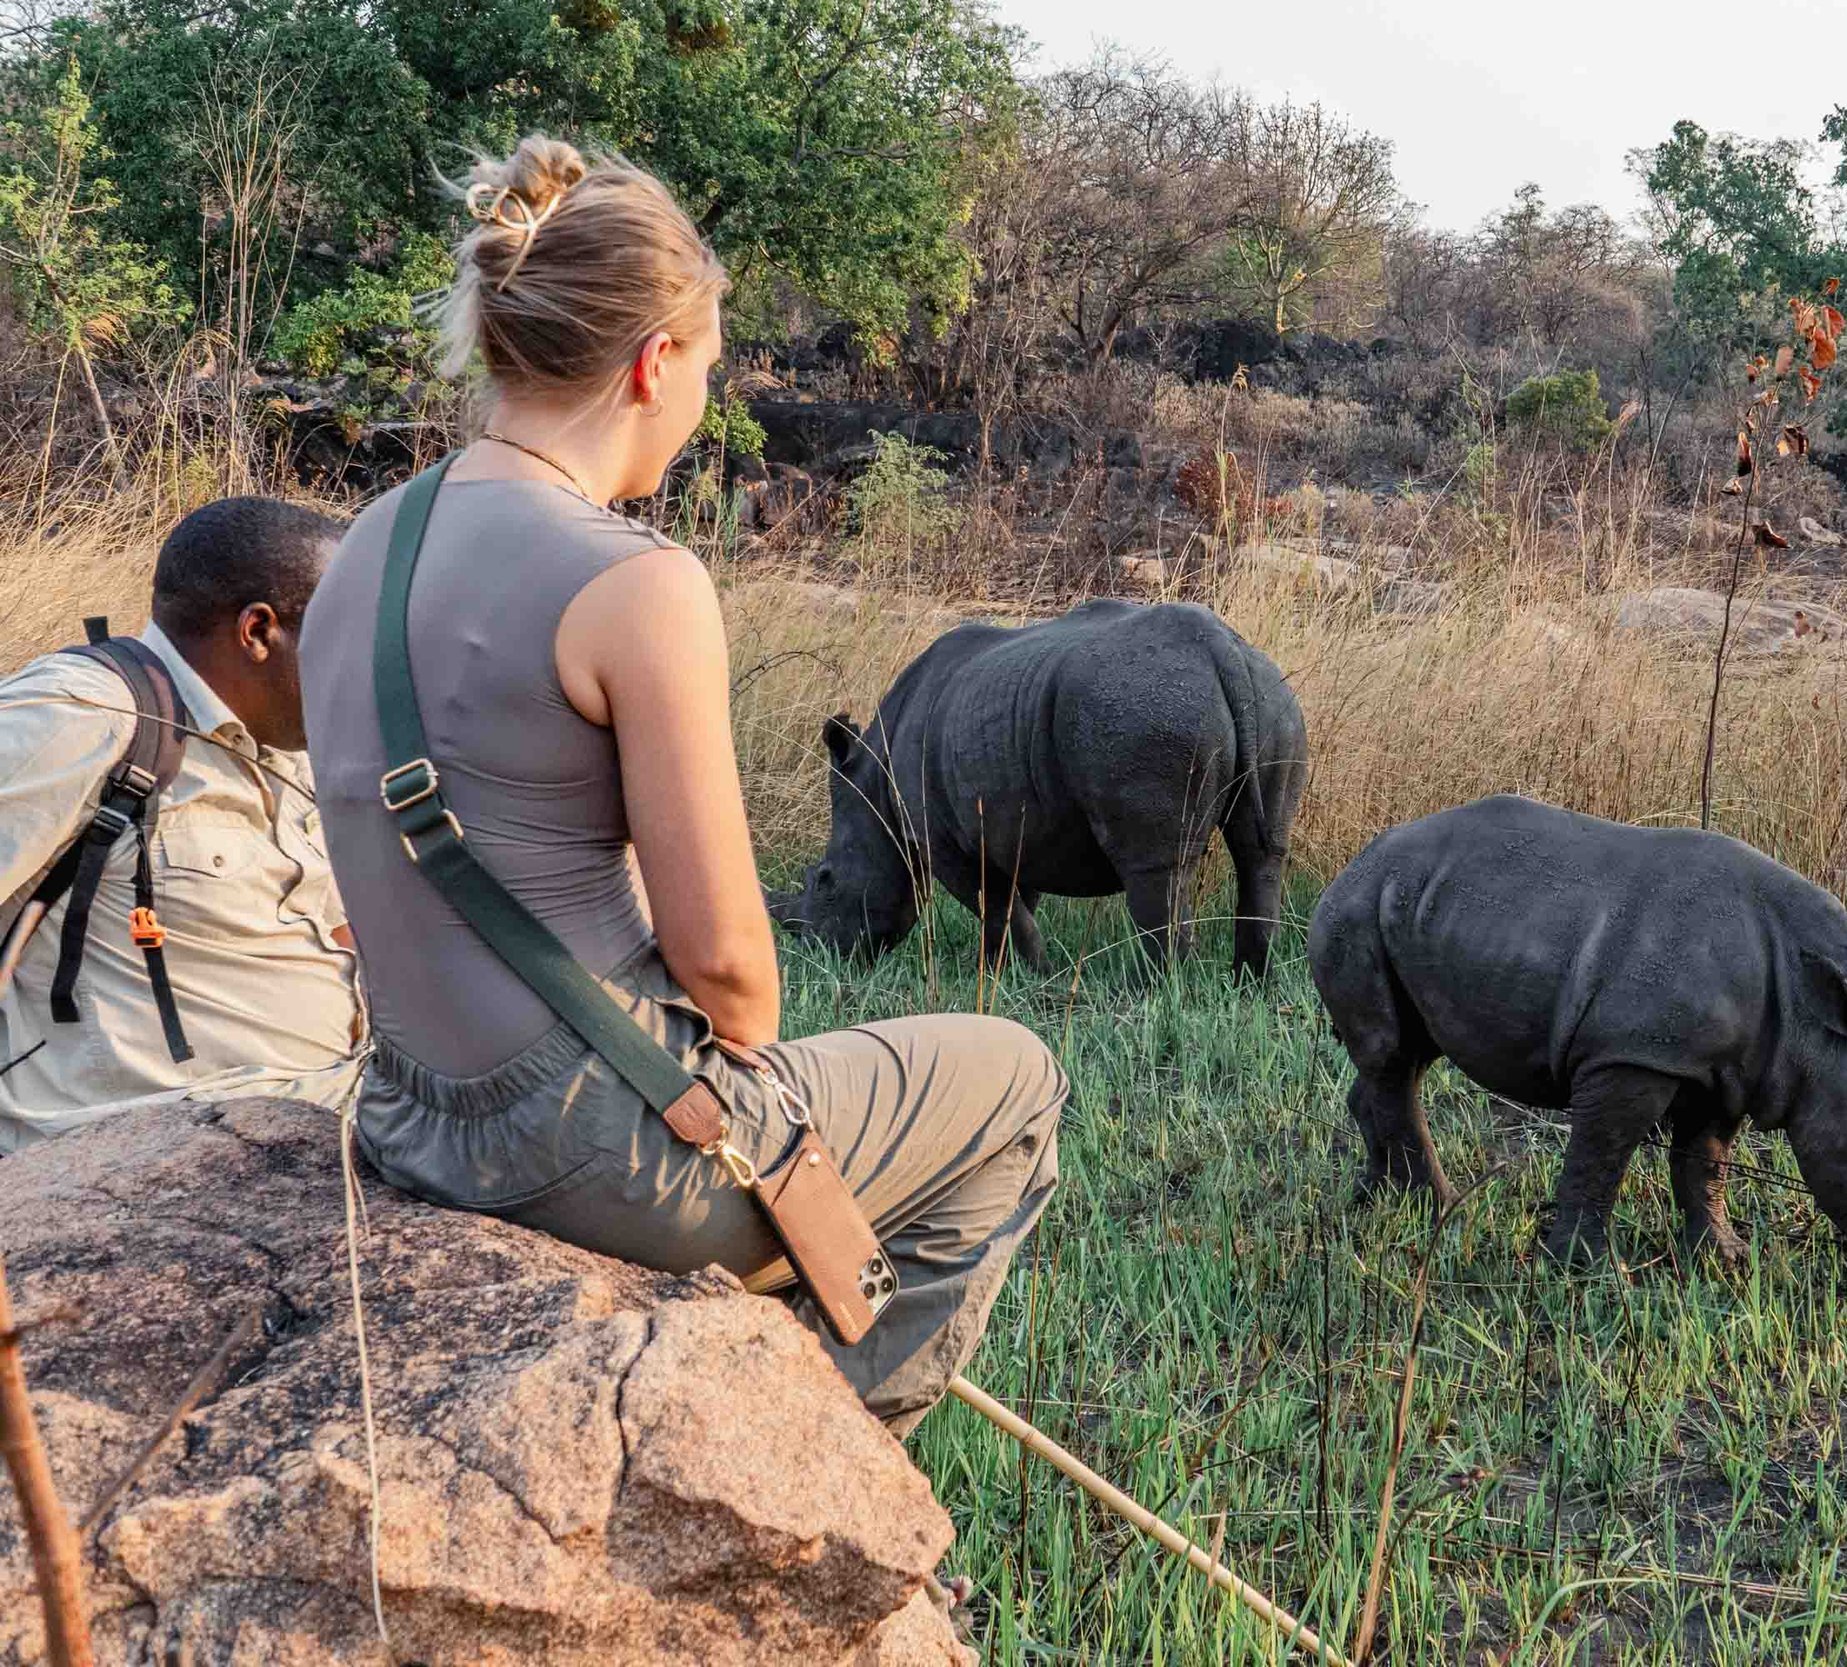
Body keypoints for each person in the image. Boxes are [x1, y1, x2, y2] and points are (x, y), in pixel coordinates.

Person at [299, 136, 1065, 1436]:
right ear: (656, 360)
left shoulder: (362, 542)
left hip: (407, 1116)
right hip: (593, 1154)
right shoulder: (637, 582)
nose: (707, 398)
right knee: (1019, 1078)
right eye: (711, 368)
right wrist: (737, 1112)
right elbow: (733, 976)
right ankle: (809, 1443)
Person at [0, 499, 364, 1151]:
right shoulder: (80, 716)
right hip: (148, 1158)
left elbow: (338, 931)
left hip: (327, 1117)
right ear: (258, 631)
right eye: (344, 638)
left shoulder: (286, 744)